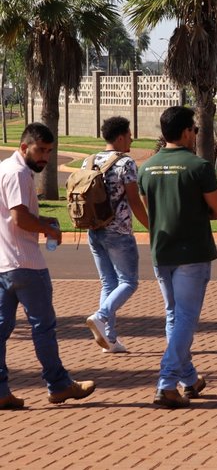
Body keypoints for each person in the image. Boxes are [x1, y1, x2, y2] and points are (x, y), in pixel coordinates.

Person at [0, 123, 95, 409]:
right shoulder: (17, 173)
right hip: (26, 263)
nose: (45, 157)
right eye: (40, 150)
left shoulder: (5, 168)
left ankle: (2, 390)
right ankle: (59, 385)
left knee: (2, 329)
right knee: (43, 328)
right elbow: (20, 219)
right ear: (24, 147)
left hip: (4, 264)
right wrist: (48, 229)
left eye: (49, 151)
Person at [139, 106, 217, 409]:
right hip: (192, 251)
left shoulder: (146, 167)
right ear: (188, 131)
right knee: (186, 318)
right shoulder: (198, 166)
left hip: (161, 250)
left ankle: (188, 378)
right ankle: (166, 383)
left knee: (175, 317)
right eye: (195, 130)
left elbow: (150, 209)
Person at [83, 116, 150, 354]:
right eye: (130, 134)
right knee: (128, 282)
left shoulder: (89, 161)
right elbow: (134, 201)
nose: (131, 138)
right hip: (119, 232)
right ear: (120, 137)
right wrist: (151, 227)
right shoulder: (126, 163)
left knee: (109, 282)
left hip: (94, 230)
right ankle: (100, 316)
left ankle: (109, 339)